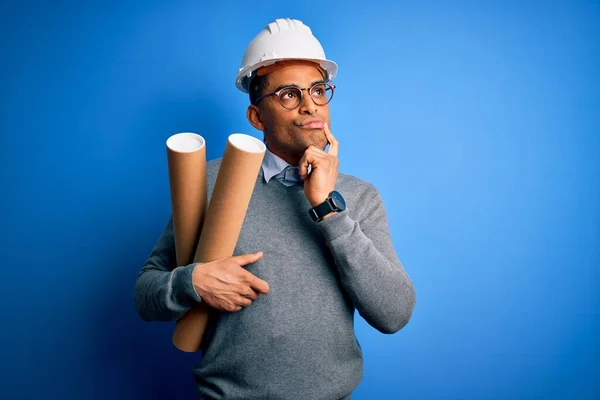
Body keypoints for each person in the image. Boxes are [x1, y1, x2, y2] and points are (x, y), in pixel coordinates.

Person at [135, 18, 416, 400]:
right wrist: (193, 282)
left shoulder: (358, 196)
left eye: (318, 90)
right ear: (256, 117)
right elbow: (145, 294)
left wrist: (327, 208)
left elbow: (394, 314)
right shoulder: (209, 181)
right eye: (288, 94)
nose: (310, 106)